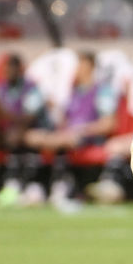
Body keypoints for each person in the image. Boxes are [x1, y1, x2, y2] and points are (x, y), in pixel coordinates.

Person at [23, 51, 119, 209]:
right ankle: (40, 184)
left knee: (63, 139)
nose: (77, 69)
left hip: (88, 138)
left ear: (90, 66)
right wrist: (51, 107)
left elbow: (108, 123)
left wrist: (83, 130)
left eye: (81, 65)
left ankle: (54, 186)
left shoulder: (102, 91)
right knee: (33, 136)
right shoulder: (74, 93)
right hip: (67, 136)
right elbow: (64, 122)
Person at [0, 54, 47, 208]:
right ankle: (12, 184)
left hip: (32, 128)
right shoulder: (0, 88)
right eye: (6, 68)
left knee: (20, 137)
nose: (8, 72)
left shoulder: (32, 88)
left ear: (19, 69)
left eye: (12, 68)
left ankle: (28, 185)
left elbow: (29, 117)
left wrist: (5, 115)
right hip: (8, 131)